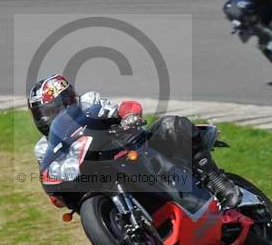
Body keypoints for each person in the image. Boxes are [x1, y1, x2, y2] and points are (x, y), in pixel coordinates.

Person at [27, 74, 241, 209]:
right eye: (43, 114)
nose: (49, 119)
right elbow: (50, 175)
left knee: (171, 125)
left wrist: (130, 117)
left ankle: (216, 181)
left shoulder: (88, 103)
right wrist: (57, 195)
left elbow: (125, 107)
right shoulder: (43, 147)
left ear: (69, 100)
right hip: (95, 176)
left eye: (54, 110)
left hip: (133, 149)